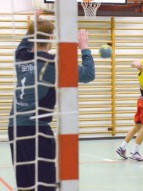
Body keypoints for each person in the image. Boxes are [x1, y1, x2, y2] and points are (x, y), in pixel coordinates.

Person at [8, 10, 95, 191]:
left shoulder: (20, 56)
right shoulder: (53, 62)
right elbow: (88, 75)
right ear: (50, 39)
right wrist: (84, 48)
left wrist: (35, 22)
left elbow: (26, 41)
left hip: (15, 127)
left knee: (25, 184)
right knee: (46, 183)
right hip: (38, 129)